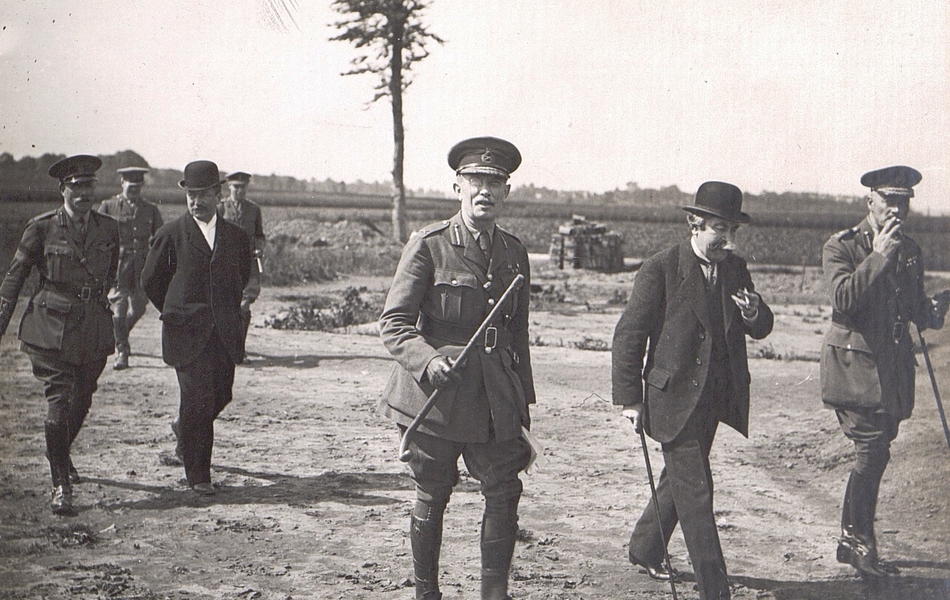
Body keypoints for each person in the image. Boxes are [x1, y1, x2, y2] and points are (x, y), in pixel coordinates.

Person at [378, 137, 535, 600]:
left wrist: (522, 404)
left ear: (506, 191)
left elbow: (518, 338)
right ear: (457, 187)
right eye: (475, 181)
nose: (484, 190)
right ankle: (426, 592)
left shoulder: (514, 252)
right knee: (433, 490)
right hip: (438, 396)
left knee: (505, 489)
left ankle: (494, 593)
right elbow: (394, 322)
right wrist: (427, 362)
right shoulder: (429, 245)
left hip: (493, 396)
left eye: (494, 182)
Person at [612, 181, 774, 600]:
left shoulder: (735, 268)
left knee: (683, 480)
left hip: (716, 398)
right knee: (698, 493)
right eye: (721, 228)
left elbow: (759, 325)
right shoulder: (661, 268)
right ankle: (714, 590)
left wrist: (756, 312)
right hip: (669, 399)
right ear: (694, 224)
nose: (729, 239)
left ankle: (645, 546)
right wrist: (630, 399)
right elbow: (629, 336)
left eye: (735, 230)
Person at [820, 165, 949, 577]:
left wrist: (937, 306)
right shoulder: (841, 246)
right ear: (870, 201)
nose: (896, 208)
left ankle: (849, 538)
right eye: (888, 199)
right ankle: (860, 543)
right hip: (854, 367)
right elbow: (844, 299)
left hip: (892, 370)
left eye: (903, 201)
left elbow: (914, 309)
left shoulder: (909, 249)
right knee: (872, 449)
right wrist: (879, 255)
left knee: (877, 450)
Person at [0, 155, 120, 515]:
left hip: (93, 328)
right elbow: (14, 278)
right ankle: (60, 486)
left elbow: (109, 272)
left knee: (83, 398)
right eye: (76, 186)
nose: (83, 193)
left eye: (89, 186)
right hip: (51, 328)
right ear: (62, 190)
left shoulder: (108, 228)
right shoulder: (41, 228)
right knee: (60, 399)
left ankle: (59, 452)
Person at [141, 160, 250, 496]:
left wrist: (223, 311)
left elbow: (240, 277)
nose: (196, 201)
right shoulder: (171, 234)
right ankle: (198, 475)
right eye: (191, 194)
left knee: (221, 393)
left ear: (218, 194)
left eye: (203, 194)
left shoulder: (236, 237)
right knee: (198, 401)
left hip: (223, 333)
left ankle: (184, 429)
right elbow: (151, 281)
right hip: (185, 332)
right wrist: (177, 311)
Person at [97, 166, 163, 370]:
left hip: (142, 267)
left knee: (139, 307)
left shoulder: (150, 209)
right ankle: (122, 351)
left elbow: (160, 238)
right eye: (130, 186)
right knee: (119, 310)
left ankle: (119, 335)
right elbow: (98, 237)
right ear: (122, 183)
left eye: (137, 186)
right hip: (118, 266)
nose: (133, 190)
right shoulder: (108, 206)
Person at [218, 171, 265, 352]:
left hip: (248, 263)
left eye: (243, 187)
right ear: (229, 187)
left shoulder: (254, 209)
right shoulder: (221, 208)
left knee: (244, 305)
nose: (240, 190)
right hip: (226, 263)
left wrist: (259, 248)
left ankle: (239, 347)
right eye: (236, 187)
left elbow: (259, 235)